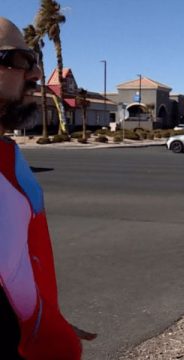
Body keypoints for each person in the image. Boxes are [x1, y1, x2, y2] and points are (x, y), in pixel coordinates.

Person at [0, 17, 95, 359]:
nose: (36, 73)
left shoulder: (7, 155)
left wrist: (51, 321)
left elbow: (19, 267)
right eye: (19, 60)